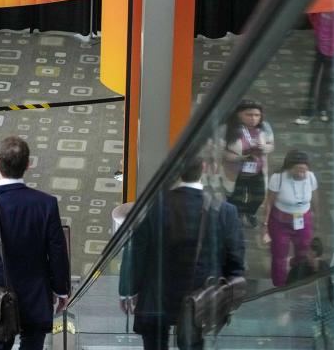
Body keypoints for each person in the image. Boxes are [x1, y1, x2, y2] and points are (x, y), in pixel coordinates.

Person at [0, 136, 70, 350]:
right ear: (28, 165)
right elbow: (57, 252)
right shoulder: (46, 204)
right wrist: (61, 290)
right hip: (35, 299)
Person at [119, 156, 245, 350]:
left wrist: (127, 290)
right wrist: (226, 290)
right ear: (204, 168)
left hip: (157, 297)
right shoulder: (225, 211)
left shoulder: (153, 207)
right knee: (193, 342)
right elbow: (235, 259)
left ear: (175, 172)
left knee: (154, 343)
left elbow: (137, 252)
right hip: (200, 295)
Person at [263, 150, 318, 287]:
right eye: (297, 170)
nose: (301, 174)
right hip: (280, 222)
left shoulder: (311, 177)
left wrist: (316, 215)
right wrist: (264, 225)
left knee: (304, 250)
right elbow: (269, 203)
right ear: (289, 168)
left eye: (304, 171)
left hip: (302, 220)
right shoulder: (278, 178)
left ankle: (296, 272)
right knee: (279, 255)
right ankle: (279, 285)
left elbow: (315, 198)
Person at [219, 100, 275, 228]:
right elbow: (222, 152)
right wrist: (241, 157)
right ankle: (236, 214)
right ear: (238, 114)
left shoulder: (265, 127)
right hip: (235, 170)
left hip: (258, 170)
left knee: (259, 196)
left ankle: (250, 213)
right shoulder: (227, 128)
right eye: (249, 115)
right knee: (234, 195)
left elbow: (271, 145)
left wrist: (265, 148)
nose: (253, 119)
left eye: (257, 115)